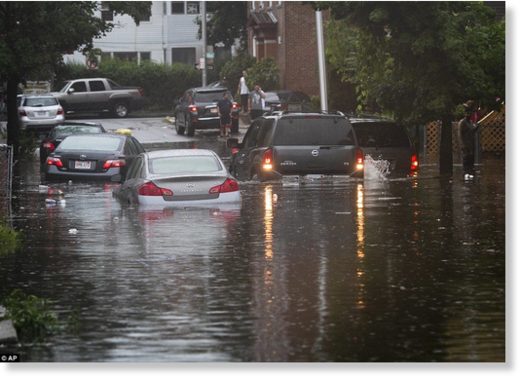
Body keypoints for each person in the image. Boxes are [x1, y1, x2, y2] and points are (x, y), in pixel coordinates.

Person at [458, 103, 480, 180]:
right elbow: (460, 134)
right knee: (466, 161)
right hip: (466, 146)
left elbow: (472, 131)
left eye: (470, 113)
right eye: (467, 113)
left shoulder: (470, 122)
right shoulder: (462, 122)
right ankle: (465, 174)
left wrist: (476, 127)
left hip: (471, 145)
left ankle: (471, 174)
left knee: (471, 161)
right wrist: (463, 145)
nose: (469, 114)